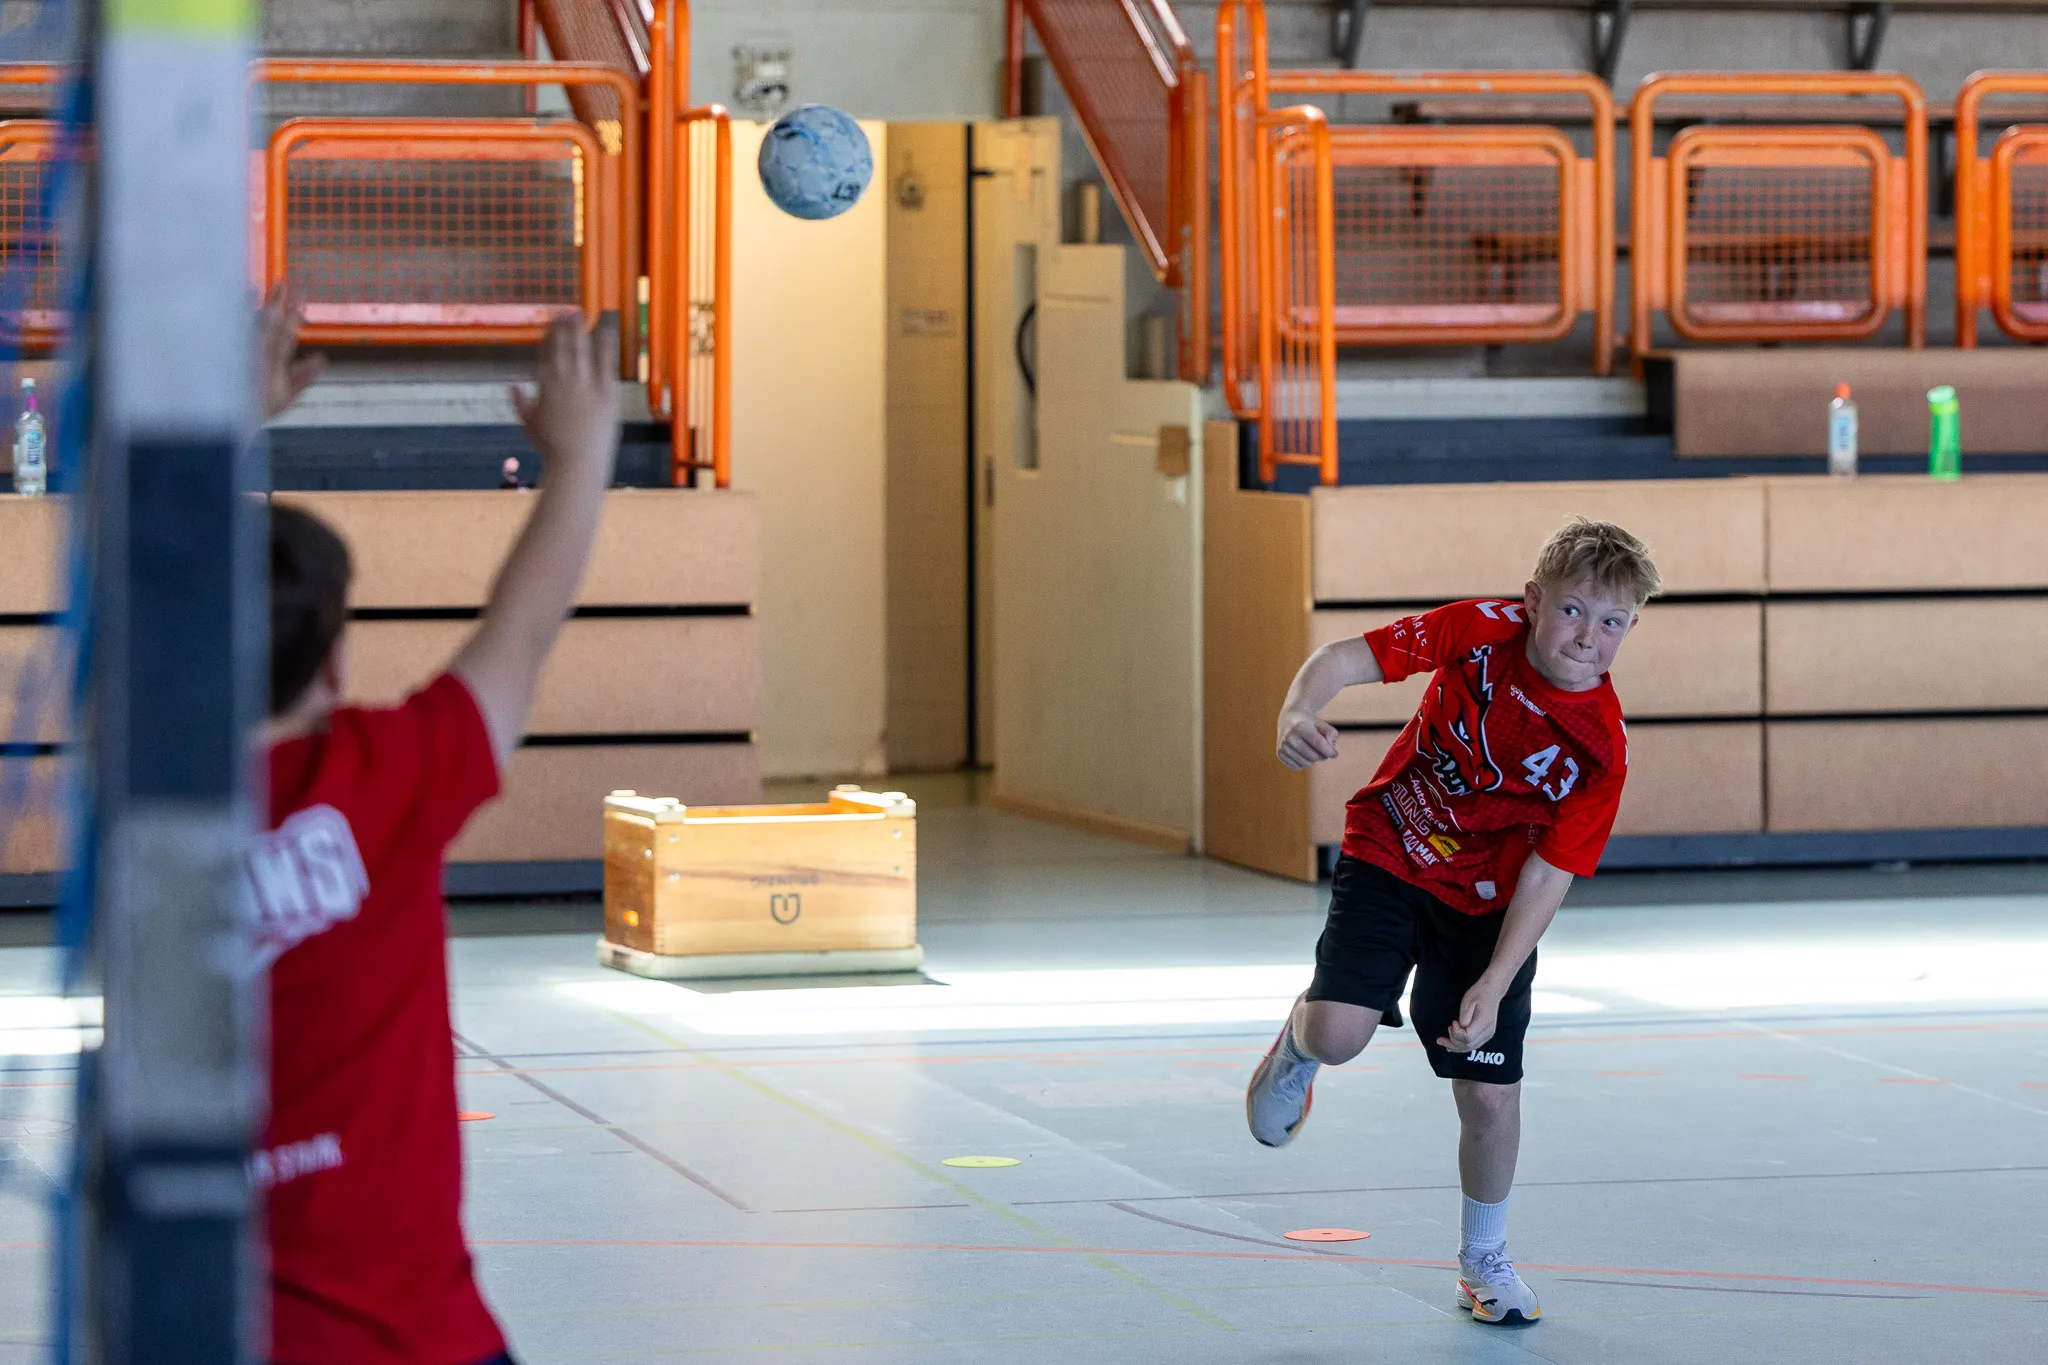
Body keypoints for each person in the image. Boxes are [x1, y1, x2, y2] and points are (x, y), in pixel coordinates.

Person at [248, 294, 620, 1364]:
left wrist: (226, 421)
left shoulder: (144, 804)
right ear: (332, 667)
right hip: (416, 1337)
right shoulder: (386, 778)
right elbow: (524, 627)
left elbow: (144, 576)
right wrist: (582, 454)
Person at [1245, 519, 1661, 1326]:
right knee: (1339, 1035)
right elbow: (1341, 658)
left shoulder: (1599, 748)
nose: (1587, 636)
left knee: (1489, 1095)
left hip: (1492, 901)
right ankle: (1297, 1047)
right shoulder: (1478, 632)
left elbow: (1550, 872)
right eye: (1573, 609)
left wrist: (1494, 982)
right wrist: (1295, 712)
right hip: (1395, 839)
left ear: (1630, 629)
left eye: (1611, 621)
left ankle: (1484, 1260)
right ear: (1533, 600)